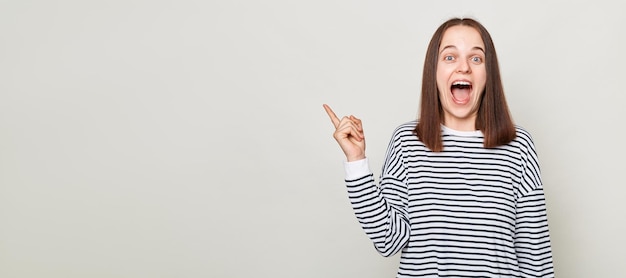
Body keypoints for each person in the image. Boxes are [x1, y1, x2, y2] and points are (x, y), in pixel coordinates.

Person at [323, 17, 554, 277]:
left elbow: (536, 258)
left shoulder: (518, 146)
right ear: (433, 70)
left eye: (476, 59)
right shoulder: (407, 142)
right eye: (450, 57)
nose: (464, 67)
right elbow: (389, 241)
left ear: (489, 73)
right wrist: (356, 162)